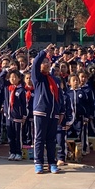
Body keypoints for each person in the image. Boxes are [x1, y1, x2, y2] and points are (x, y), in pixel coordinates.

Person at [31, 44, 63, 174]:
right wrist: (44, 52)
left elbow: (59, 96)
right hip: (41, 111)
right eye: (43, 62)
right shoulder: (38, 78)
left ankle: (52, 162)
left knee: (51, 139)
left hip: (53, 113)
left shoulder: (54, 79)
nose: (46, 64)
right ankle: (38, 162)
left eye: (48, 62)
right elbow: (35, 63)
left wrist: (61, 112)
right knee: (39, 138)